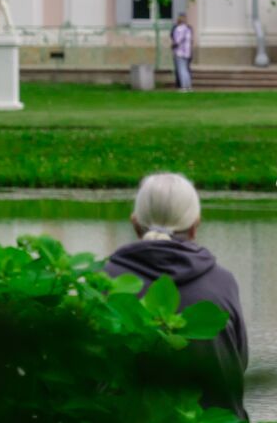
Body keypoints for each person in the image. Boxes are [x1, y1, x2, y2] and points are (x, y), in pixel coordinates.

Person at [106, 173, 249, 420]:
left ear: (135, 224)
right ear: (195, 226)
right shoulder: (221, 282)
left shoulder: (106, 282)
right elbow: (239, 363)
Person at [171, 13, 193, 92]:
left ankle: (183, 87)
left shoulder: (178, 29)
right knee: (186, 70)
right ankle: (189, 86)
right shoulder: (188, 29)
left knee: (181, 70)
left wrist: (173, 45)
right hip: (187, 52)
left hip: (179, 52)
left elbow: (177, 40)